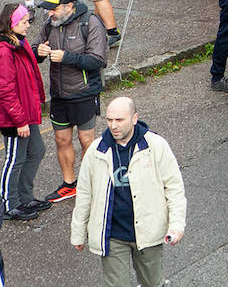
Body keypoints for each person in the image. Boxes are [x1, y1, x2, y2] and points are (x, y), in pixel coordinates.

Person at [70, 97, 185, 287]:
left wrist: (177, 224)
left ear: (134, 118)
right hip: (113, 235)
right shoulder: (95, 151)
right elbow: (84, 194)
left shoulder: (156, 145)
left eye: (119, 120)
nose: (113, 126)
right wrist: (78, 233)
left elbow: (174, 187)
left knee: (153, 284)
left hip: (148, 232)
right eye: (109, 120)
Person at [36, 0, 107, 204]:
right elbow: (34, 49)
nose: (49, 13)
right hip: (59, 95)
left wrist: (67, 57)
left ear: (69, 6)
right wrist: (37, 52)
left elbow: (98, 60)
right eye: (48, 9)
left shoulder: (91, 23)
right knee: (61, 139)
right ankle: (69, 184)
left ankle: (87, 184)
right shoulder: (50, 24)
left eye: (53, 9)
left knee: (86, 140)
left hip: (84, 93)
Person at [0, 2, 47, 220]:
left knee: (36, 151)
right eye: (25, 22)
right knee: (14, 159)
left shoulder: (19, 42)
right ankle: (9, 204)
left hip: (27, 112)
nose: (28, 26)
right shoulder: (4, 50)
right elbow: (6, 90)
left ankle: (25, 197)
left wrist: (39, 53)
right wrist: (19, 120)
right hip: (14, 118)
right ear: (12, 23)